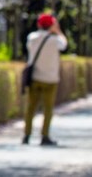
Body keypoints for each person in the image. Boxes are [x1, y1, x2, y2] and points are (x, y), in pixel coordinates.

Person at [22, 13, 68, 147]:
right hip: (50, 78)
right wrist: (57, 31)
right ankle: (44, 135)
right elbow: (64, 45)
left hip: (35, 77)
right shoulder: (55, 40)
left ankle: (27, 135)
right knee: (48, 109)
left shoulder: (32, 38)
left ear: (38, 24)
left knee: (31, 108)